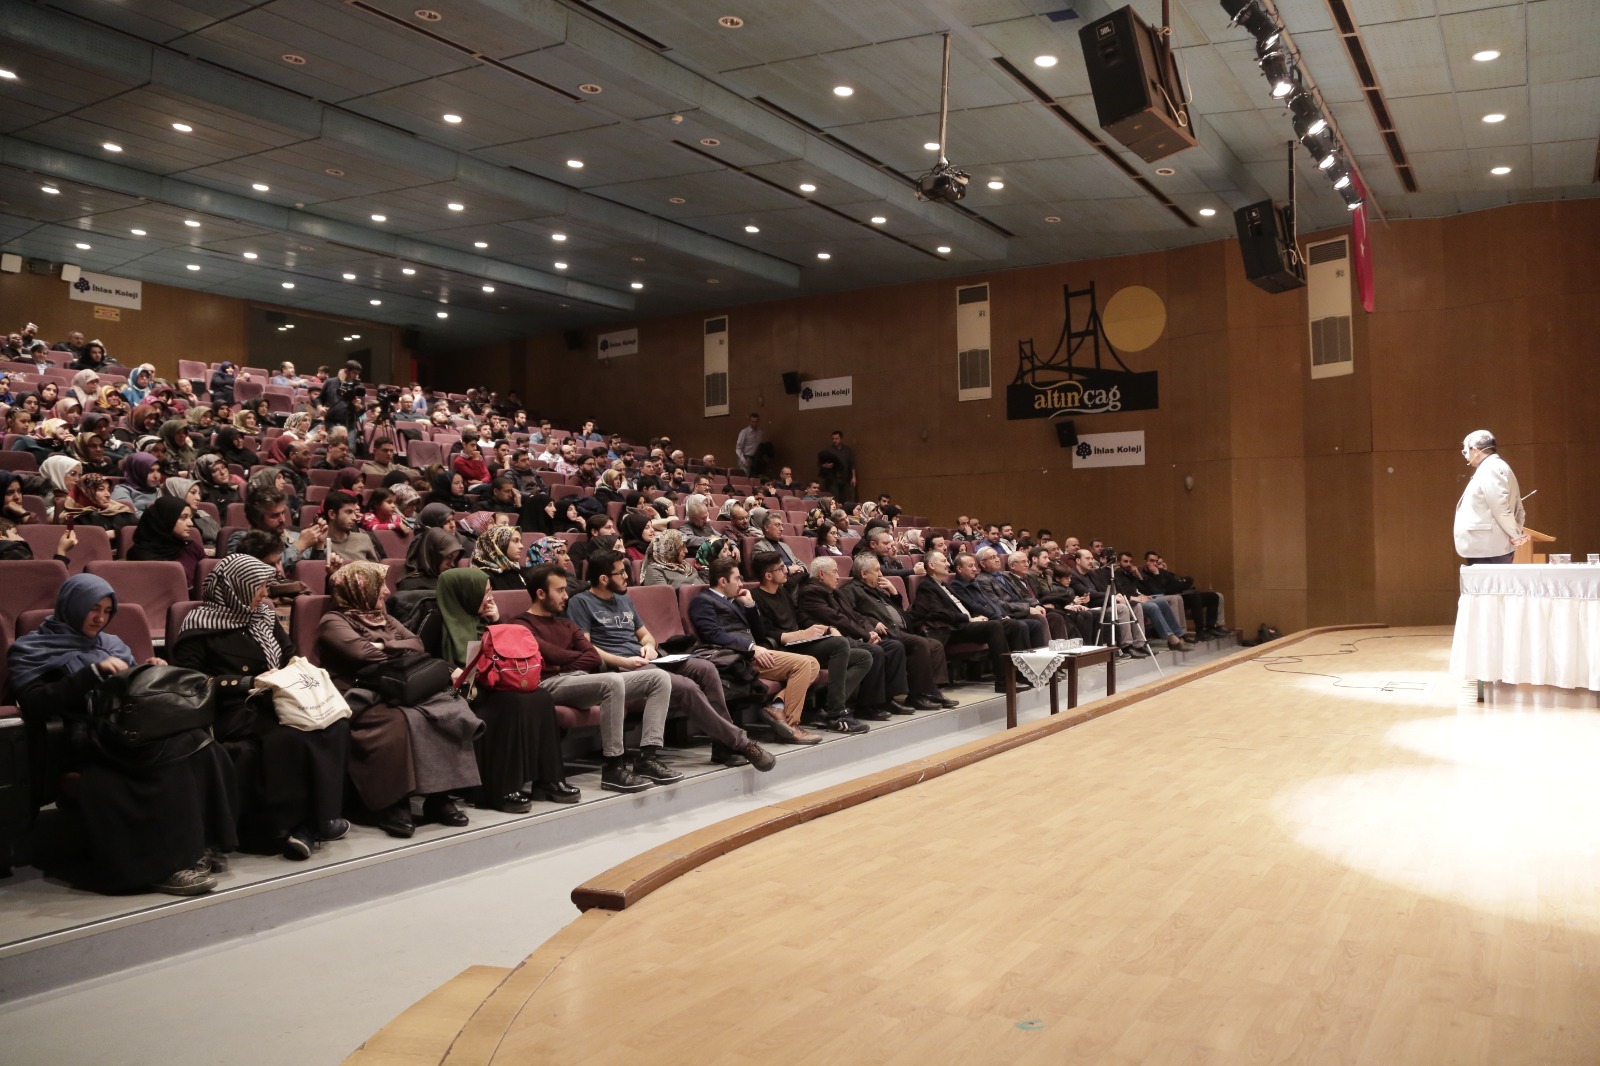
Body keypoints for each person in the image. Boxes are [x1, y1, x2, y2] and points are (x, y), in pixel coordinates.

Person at [8, 575, 239, 896]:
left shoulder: (111, 643)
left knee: (199, 741)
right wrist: (90, 674)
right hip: (81, 734)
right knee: (170, 750)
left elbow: (130, 690)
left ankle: (200, 845)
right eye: (92, 609)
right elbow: (34, 703)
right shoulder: (33, 648)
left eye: (106, 610)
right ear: (71, 606)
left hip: (127, 728)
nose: (100, 618)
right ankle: (165, 867)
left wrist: (148, 669)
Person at [171, 555, 351, 860]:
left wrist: (292, 672)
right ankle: (287, 826)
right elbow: (190, 684)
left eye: (265, 586)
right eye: (258, 587)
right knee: (291, 736)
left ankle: (321, 816)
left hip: (276, 700)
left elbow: (290, 655)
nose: (265, 594)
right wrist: (248, 683)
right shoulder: (200, 625)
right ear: (236, 587)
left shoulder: (264, 618)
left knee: (334, 722)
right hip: (232, 709)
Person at [316, 561, 485, 836]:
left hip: (401, 686)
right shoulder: (334, 621)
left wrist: (384, 645)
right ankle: (393, 804)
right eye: (379, 585)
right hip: (361, 692)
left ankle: (439, 798)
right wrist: (396, 649)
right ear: (361, 588)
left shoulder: (384, 617)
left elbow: (417, 644)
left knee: (449, 709)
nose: (385, 591)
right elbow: (362, 654)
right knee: (400, 721)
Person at [566, 549, 775, 771]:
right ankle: (740, 742)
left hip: (648, 658)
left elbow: (646, 634)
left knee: (706, 668)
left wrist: (648, 645)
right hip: (623, 667)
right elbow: (587, 648)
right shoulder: (581, 603)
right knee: (686, 687)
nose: (627, 577)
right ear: (603, 579)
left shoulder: (623, 599)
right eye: (621, 573)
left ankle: (723, 745)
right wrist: (623, 661)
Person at [511, 563, 677, 792]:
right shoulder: (521, 625)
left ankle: (647, 757)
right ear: (540, 593)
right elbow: (548, 655)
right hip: (548, 683)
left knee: (658, 678)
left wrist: (562, 661)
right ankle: (613, 767)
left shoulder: (565, 624)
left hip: (580, 680)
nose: (566, 596)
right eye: (559, 590)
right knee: (612, 681)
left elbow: (591, 656)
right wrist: (565, 659)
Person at [688, 557, 823, 745]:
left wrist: (750, 606)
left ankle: (777, 707)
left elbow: (759, 632)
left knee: (813, 663)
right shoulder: (703, 601)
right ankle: (792, 726)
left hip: (753, 653)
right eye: (737, 579)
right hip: (736, 658)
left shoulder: (735, 600)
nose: (741, 583)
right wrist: (750, 648)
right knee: (802, 664)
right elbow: (713, 634)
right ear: (723, 581)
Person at [748, 551, 872, 732]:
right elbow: (765, 633)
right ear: (768, 576)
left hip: (799, 644)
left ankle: (826, 706)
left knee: (864, 657)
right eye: (781, 568)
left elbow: (803, 578)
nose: (786, 571)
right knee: (839, 644)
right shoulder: (756, 597)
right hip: (783, 649)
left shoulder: (782, 591)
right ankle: (836, 712)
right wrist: (801, 634)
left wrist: (823, 629)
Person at [796, 556, 912, 717]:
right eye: (835, 572)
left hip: (847, 637)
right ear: (822, 574)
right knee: (875, 651)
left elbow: (855, 615)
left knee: (894, 646)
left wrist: (870, 630)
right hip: (828, 641)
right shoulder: (810, 592)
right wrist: (865, 635)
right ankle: (866, 705)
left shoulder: (833, 591)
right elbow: (837, 619)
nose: (838, 576)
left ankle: (887, 699)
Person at [844, 555, 958, 709]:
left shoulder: (877, 589)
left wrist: (893, 592)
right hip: (887, 633)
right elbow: (850, 613)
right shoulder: (851, 589)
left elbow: (898, 611)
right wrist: (872, 624)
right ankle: (917, 696)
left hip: (901, 630)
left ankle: (932, 692)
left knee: (935, 645)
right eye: (877, 570)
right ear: (864, 574)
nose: (880, 574)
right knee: (920, 643)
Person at [907, 550, 1017, 693]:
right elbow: (937, 612)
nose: (948, 564)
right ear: (932, 565)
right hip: (952, 629)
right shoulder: (927, 586)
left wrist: (979, 616)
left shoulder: (945, 585)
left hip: (964, 624)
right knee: (994, 627)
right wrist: (969, 618)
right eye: (943, 561)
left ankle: (1018, 674)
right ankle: (1004, 681)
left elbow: (965, 605)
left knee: (1009, 624)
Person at [1453, 429, 1528, 565]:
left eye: (1465, 451)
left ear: (1475, 450)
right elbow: (1519, 507)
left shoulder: (1491, 469)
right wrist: (1517, 531)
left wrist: (1517, 534)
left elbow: (1500, 508)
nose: (1465, 456)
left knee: (1489, 586)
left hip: (1488, 548)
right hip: (1489, 547)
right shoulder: (1499, 466)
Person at [125, 495, 205, 591]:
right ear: (166, 519)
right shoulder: (140, 556)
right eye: (183, 517)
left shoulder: (192, 548)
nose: (190, 523)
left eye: (190, 517)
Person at [321, 489, 381, 564]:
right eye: (348, 512)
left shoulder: (363, 538)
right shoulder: (320, 543)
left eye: (354, 512)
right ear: (332, 514)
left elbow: (377, 570)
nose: (354, 518)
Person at [472, 523, 530, 590]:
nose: (521, 546)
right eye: (515, 541)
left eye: (520, 541)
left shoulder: (516, 570)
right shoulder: (483, 577)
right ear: (499, 544)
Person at [111, 451, 163, 516]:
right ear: (137, 471)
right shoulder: (122, 490)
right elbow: (130, 516)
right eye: (150, 471)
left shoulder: (160, 491)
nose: (156, 476)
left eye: (158, 470)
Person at [818, 429, 855, 501]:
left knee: (846, 498)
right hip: (833, 479)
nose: (834, 440)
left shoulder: (847, 450)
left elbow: (852, 464)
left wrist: (854, 477)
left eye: (836, 439)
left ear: (841, 439)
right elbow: (820, 464)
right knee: (835, 498)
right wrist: (826, 465)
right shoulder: (828, 450)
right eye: (833, 439)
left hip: (845, 478)